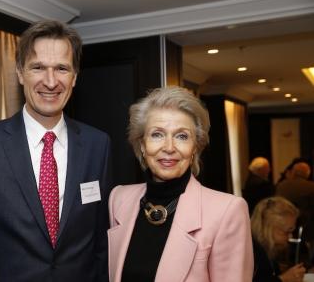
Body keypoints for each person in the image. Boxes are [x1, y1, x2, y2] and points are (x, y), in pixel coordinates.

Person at [0, 20, 112, 282]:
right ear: (20, 73)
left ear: (74, 76)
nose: (50, 82)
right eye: (38, 67)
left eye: (62, 69)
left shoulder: (97, 145)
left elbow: (101, 239)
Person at [107, 87, 253, 282]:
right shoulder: (119, 199)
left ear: (195, 146)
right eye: (157, 134)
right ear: (142, 144)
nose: (169, 147)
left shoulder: (227, 210)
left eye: (182, 136)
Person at [251, 197, 306, 282]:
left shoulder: (268, 251)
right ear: (268, 229)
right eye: (287, 232)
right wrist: (284, 279)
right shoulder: (253, 253)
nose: (290, 237)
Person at [276, 162, 314, 249]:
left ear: (293, 172)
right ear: (308, 174)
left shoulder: (281, 186)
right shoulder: (311, 187)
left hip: (282, 225)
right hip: (305, 229)